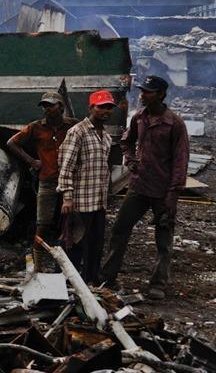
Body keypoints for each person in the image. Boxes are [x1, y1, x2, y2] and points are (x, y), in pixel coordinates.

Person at [102, 76, 188, 299]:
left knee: (163, 240)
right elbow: (126, 141)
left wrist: (173, 194)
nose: (142, 95)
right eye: (142, 91)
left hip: (163, 191)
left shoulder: (174, 123)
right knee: (120, 230)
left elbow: (181, 160)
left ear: (160, 94)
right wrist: (130, 160)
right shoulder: (139, 117)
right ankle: (108, 277)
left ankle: (158, 284)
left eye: (148, 91)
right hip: (139, 186)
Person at [6, 91, 79, 272]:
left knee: (70, 222)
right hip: (47, 180)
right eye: (44, 106)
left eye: (50, 105)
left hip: (71, 181)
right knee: (43, 223)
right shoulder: (36, 127)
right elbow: (12, 143)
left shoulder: (74, 126)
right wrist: (31, 161)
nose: (47, 109)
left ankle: (66, 266)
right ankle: (37, 266)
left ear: (61, 107)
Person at [56, 89, 116, 284]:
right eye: (102, 107)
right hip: (80, 202)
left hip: (98, 202)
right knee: (73, 244)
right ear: (91, 108)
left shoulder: (106, 137)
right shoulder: (78, 132)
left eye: (109, 107)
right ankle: (64, 283)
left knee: (95, 245)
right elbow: (66, 166)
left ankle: (90, 282)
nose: (106, 111)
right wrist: (67, 197)